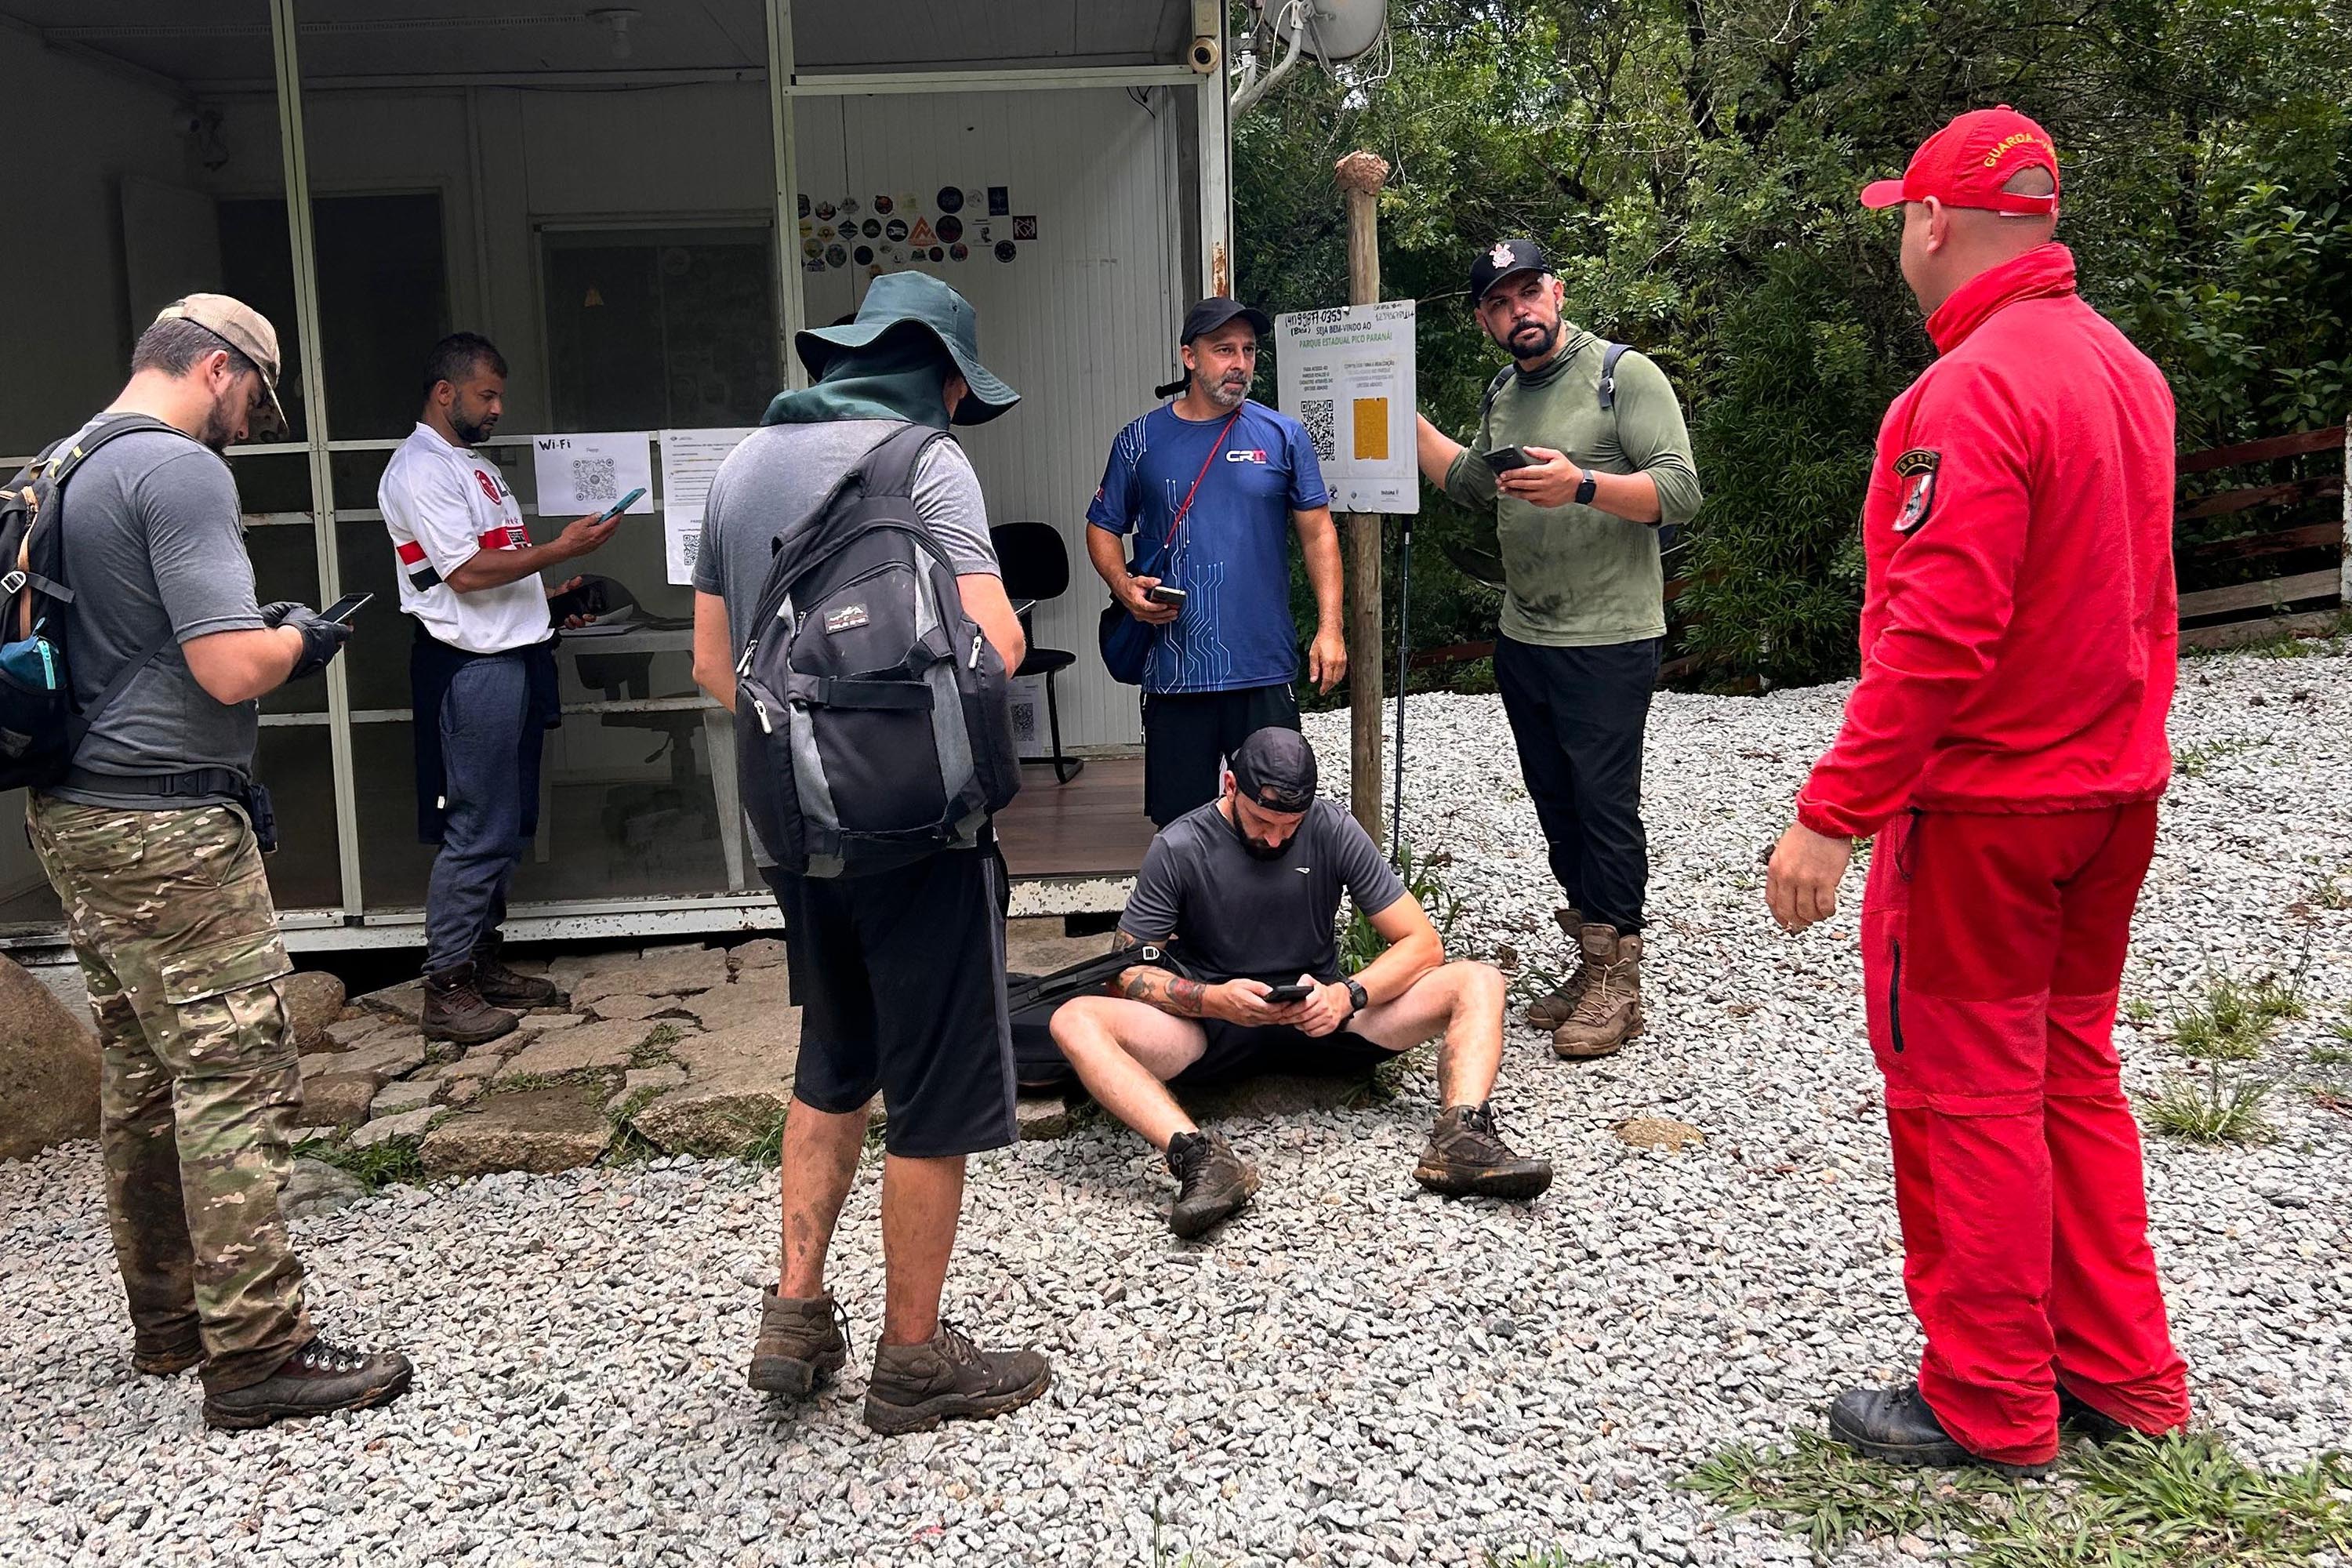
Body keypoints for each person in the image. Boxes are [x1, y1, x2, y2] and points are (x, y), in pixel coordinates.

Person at [1766, 107, 2190, 1475]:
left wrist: (1833, 812)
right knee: (2071, 1073)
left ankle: (1992, 1396)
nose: (1903, 237)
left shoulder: (1968, 392)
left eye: (1904, 216)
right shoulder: (2127, 370)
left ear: (1937, 222)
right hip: (2111, 794)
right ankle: (2125, 1377)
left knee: (1968, 1094)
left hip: (1991, 813)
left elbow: (1941, 636)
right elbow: (2142, 598)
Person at [23, 295, 410, 1428]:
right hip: (167, 827)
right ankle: (256, 1355)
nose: (252, 422)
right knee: (234, 1074)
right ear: (216, 368)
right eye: (256, 398)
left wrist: (260, 626)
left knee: (146, 1074)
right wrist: (302, 638)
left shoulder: (62, 465)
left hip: (77, 810)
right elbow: (231, 668)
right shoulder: (180, 469)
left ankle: (171, 1320)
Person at [690, 270, 1049, 1435]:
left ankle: (795, 1312)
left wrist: (815, 753)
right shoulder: (925, 461)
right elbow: (993, 642)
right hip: (918, 834)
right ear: (941, 376)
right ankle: (914, 1360)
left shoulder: (741, 465)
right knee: (935, 1089)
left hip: (794, 829)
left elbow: (712, 666)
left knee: (834, 1055)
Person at [1051, 728, 1552, 1238]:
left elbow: (1422, 943)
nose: (1276, 839)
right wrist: (1212, 1000)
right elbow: (1124, 972)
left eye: (1291, 825)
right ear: (1230, 786)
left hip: (1326, 1019)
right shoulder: (1180, 845)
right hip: (1211, 1029)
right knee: (1074, 1019)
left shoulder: (1333, 827)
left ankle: (1462, 1139)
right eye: (1262, 822)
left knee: (1480, 980)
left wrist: (1347, 995)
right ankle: (1199, 1157)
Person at [1414, 242, 1702, 1060]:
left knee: (1604, 805)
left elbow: (1681, 490)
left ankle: (1620, 981)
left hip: (1609, 637)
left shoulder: (1622, 375)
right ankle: (1592, 954)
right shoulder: (1504, 394)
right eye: (1501, 304)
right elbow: (1473, 484)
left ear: (1557, 291)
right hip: (1525, 635)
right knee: (1556, 803)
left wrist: (1584, 484)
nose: (1520, 312)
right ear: (1485, 321)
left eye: (1529, 292)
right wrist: (1401, 414)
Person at [379, 332, 621, 1045]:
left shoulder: (473, 466)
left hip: (513, 653)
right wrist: (560, 547)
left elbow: (495, 570)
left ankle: (483, 961)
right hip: (471, 667)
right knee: (478, 826)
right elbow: (464, 575)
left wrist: (551, 595)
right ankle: (447, 986)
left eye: (499, 396)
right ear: (445, 392)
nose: (497, 409)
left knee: (510, 824)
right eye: (486, 395)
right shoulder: (420, 469)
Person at [1088, 296, 1348, 826]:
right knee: (1180, 828)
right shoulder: (1139, 440)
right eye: (1224, 350)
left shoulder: (1283, 435)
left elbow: (1319, 532)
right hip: (1175, 666)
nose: (1240, 363)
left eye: (1248, 351)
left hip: (1262, 666)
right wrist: (1122, 586)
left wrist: (1331, 628)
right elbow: (1102, 526)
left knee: (1277, 814)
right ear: (1190, 357)